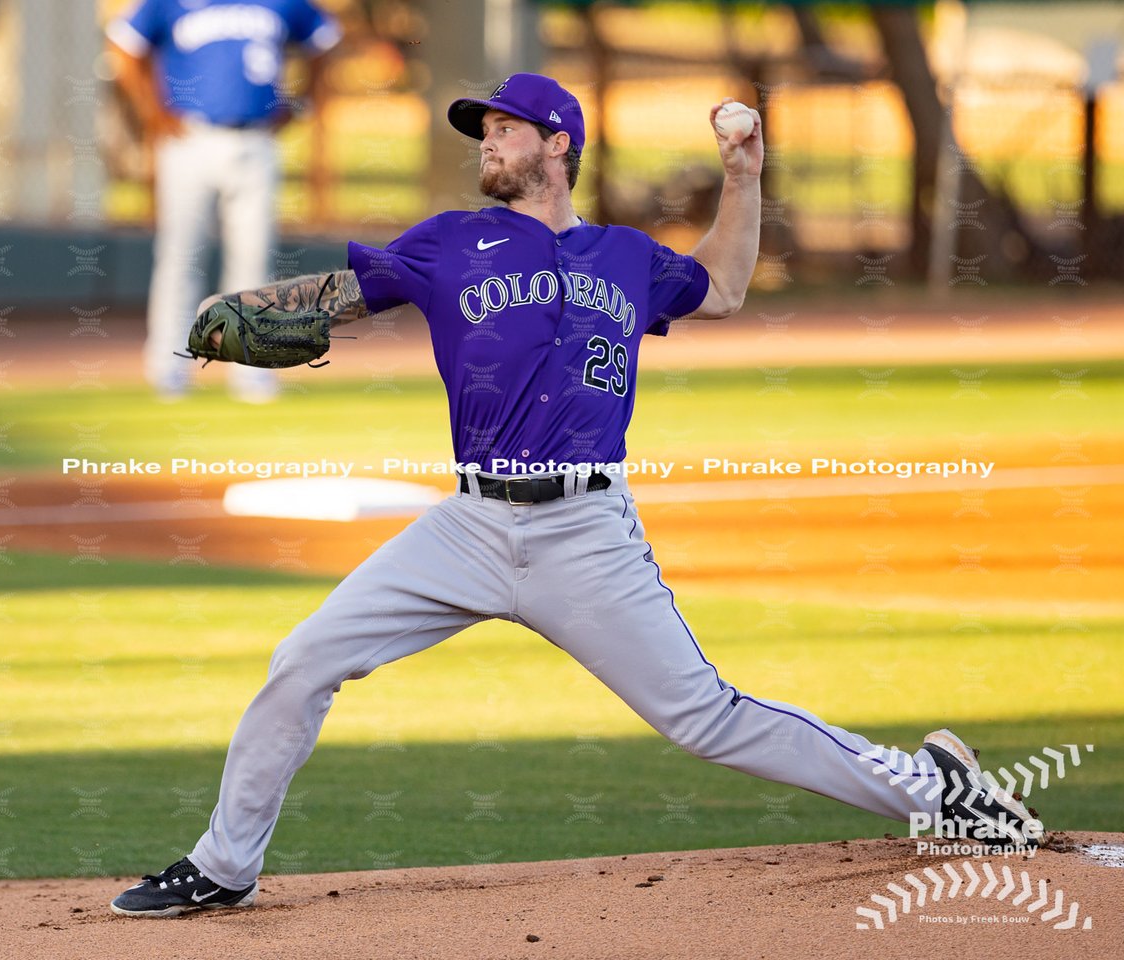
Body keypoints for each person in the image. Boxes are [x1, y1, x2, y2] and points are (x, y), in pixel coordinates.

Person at [110, 73, 1043, 917]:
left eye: (505, 128)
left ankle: (941, 791)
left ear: (558, 143)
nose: (488, 141)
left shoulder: (627, 258)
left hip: (586, 534)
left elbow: (720, 286)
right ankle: (224, 866)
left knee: (705, 718)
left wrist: (743, 175)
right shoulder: (450, 242)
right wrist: (256, 311)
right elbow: (347, 293)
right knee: (305, 660)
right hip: (468, 526)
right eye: (484, 130)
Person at [106, 0, 341, 402]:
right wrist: (150, 110)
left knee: (253, 259)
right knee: (181, 256)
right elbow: (124, 46)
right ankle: (169, 367)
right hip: (188, 138)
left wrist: (301, 102)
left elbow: (326, 39)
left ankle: (252, 371)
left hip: (256, 139)